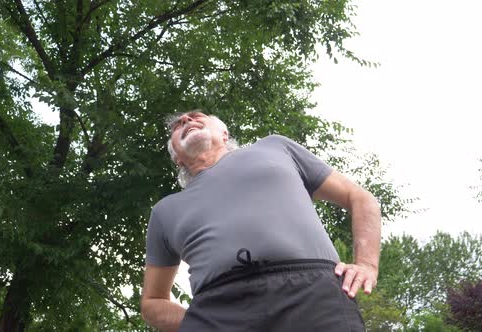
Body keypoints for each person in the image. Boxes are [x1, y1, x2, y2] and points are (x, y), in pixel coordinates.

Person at [140, 111, 381, 331]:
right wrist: (199, 322)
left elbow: (359, 197)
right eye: (178, 125)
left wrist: (367, 264)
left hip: (314, 294)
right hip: (219, 308)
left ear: (224, 134)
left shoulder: (275, 147)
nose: (186, 121)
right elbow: (152, 302)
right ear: (177, 158)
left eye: (196, 116)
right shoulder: (164, 211)